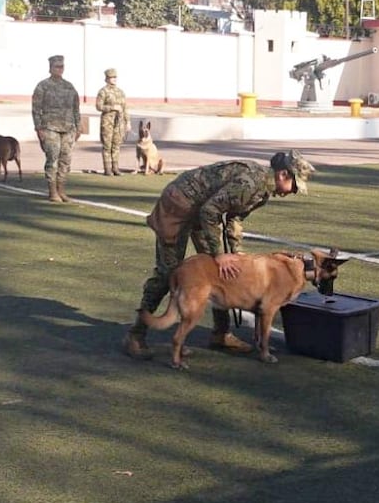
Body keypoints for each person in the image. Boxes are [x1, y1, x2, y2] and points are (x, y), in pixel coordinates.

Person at [123, 150, 316, 359]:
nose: (293, 191)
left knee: (222, 272)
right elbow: (210, 210)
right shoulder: (252, 183)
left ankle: (220, 334)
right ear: (283, 174)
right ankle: (136, 334)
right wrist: (218, 254)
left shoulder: (263, 191)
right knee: (167, 273)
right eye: (294, 186)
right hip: (177, 205)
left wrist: (235, 252)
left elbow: (234, 217)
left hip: (200, 212)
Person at [31, 54, 81, 202]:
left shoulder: (69, 86)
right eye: (56, 66)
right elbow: (36, 109)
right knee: (52, 159)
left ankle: (61, 190)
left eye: (61, 67)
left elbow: (76, 108)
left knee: (65, 159)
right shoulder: (43, 86)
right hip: (50, 128)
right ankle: (52, 191)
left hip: (68, 128)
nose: (59, 69)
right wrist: (39, 128)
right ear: (50, 68)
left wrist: (78, 127)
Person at [95, 68, 128, 176]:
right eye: (111, 77)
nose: (113, 79)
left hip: (118, 122)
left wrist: (127, 122)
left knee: (116, 145)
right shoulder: (103, 91)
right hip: (107, 122)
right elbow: (98, 106)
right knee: (107, 145)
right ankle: (107, 169)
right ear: (106, 79)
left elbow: (125, 108)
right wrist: (112, 107)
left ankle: (115, 168)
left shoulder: (120, 92)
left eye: (115, 77)